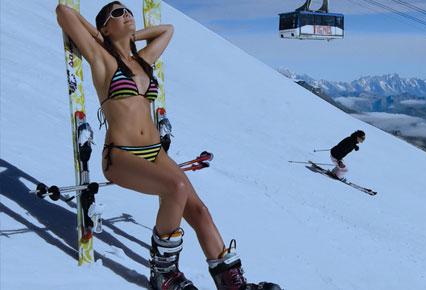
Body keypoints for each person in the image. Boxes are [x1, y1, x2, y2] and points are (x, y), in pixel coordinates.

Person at [55, 2, 280, 290]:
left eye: (127, 11)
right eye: (116, 13)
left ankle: (231, 282)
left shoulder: (144, 60)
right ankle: (164, 274)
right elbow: (64, 12)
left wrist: (127, 38)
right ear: (104, 27)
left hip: (154, 152)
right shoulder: (101, 59)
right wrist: (102, 39)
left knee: (199, 211)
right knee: (177, 188)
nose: (126, 14)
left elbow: (167, 30)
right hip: (121, 156)